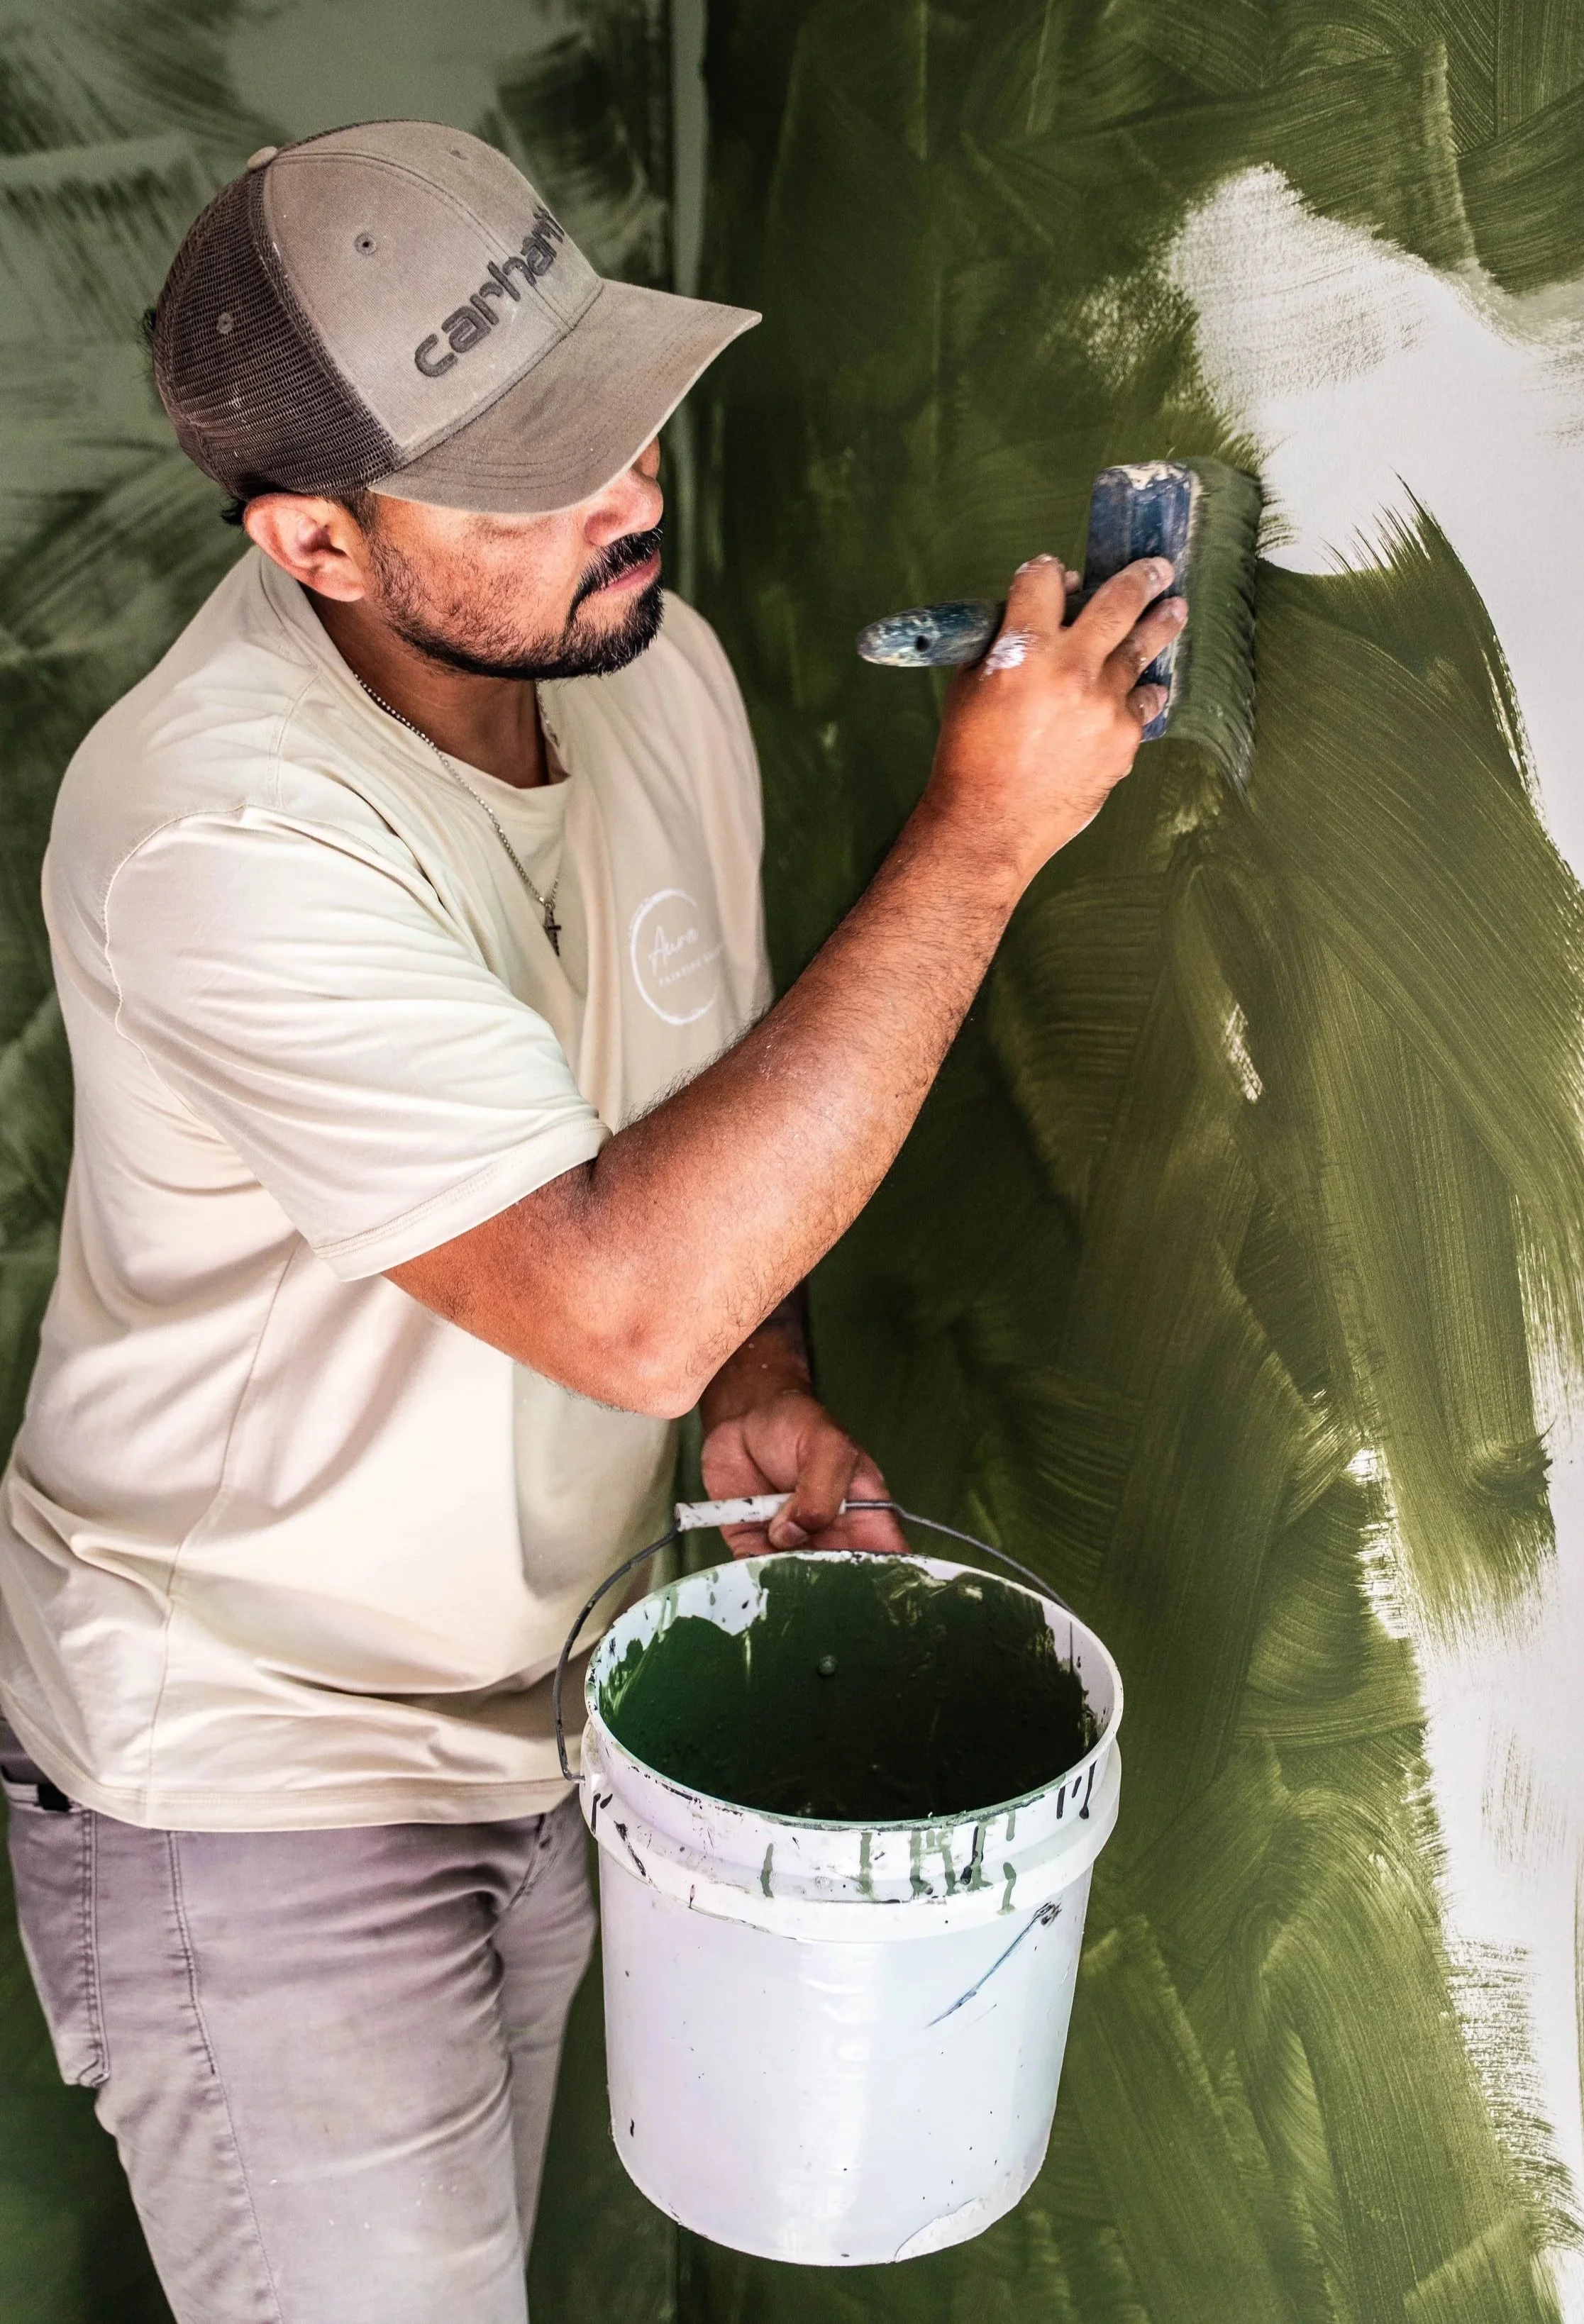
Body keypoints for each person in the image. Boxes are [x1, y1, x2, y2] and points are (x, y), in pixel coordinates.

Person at [0, 121, 1184, 2324]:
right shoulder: (216, 830)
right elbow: (624, 1296)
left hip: (553, 1722)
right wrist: (985, 840)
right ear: (317, 541)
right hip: (254, 1769)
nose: (626, 490)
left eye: (616, 411)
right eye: (527, 470)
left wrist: (764, 1388)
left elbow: (697, 1153)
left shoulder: (653, 667)